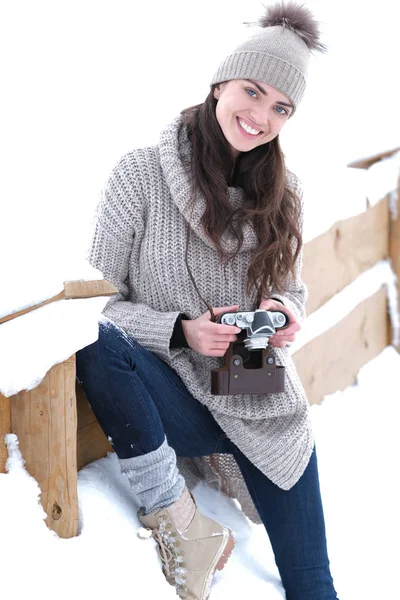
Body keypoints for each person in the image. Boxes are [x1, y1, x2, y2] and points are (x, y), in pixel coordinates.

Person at [76, 3, 339, 599]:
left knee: (313, 585)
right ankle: (178, 518)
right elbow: (93, 308)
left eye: (281, 107)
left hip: (252, 381)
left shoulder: (284, 189)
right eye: (252, 90)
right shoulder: (138, 176)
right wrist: (182, 331)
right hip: (175, 388)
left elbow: (290, 286)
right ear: (220, 83)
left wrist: (281, 309)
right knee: (98, 344)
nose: (261, 116)